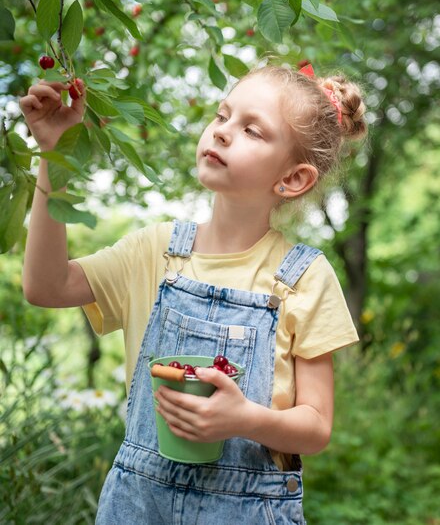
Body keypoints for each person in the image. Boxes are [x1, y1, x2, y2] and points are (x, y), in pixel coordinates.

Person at [19, 60, 367, 524]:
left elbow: (317, 427)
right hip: (136, 508)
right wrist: (55, 158)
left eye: (252, 130)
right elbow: (46, 286)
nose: (222, 132)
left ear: (293, 179)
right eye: (222, 116)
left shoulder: (305, 277)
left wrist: (245, 419)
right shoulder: (155, 250)